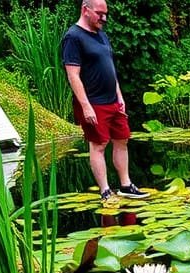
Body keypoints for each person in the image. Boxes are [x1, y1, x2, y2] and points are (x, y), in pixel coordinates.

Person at [62, 0, 148, 202]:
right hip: (94, 102)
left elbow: (109, 67)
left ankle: (126, 185)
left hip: (113, 101)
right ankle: (105, 191)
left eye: (105, 13)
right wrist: (85, 106)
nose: (104, 18)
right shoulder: (73, 37)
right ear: (86, 10)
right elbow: (73, 75)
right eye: (100, 13)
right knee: (98, 144)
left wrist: (119, 95)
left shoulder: (101, 35)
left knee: (122, 140)